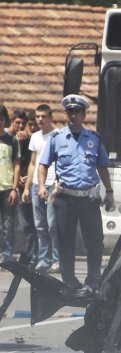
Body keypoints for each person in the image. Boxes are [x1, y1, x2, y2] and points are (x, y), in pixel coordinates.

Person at [38, 95, 114, 300]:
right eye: (70, 112)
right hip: (65, 199)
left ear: (84, 114)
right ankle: (70, 283)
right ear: (66, 114)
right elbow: (43, 164)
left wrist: (109, 192)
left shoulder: (94, 139)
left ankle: (92, 280)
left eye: (77, 112)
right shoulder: (56, 138)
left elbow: (102, 166)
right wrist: (43, 187)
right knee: (65, 242)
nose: (73, 115)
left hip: (88, 199)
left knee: (95, 242)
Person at [22, 104, 59, 273]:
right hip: (37, 184)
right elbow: (32, 163)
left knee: (52, 224)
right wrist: (27, 188)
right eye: (37, 117)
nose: (40, 120)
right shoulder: (35, 137)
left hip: (53, 184)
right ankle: (44, 259)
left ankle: (57, 258)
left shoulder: (58, 135)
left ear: (50, 117)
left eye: (43, 116)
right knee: (40, 225)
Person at [12, 110, 37, 263]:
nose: (21, 127)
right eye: (18, 123)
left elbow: (34, 164)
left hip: (29, 186)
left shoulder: (33, 142)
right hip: (14, 186)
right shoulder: (12, 140)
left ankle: (33, 255)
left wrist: (27, 178)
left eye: (24, 124)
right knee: (20, 224)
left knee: (33, 224)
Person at [0, 105, 20, 264]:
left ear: (5, 121)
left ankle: (6, 255)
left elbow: (17, 165)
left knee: (8, 224)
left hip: (7, 188)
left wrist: (14, 189)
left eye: (1, 120)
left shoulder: (12, 140)